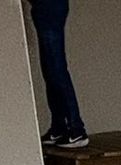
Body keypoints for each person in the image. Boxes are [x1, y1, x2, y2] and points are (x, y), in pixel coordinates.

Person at [29, 0, 88, 148]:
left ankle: (75, 129)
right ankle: (60, 126)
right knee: (50, 70)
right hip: (45, 7)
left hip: (49, 7)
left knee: (56, 68)